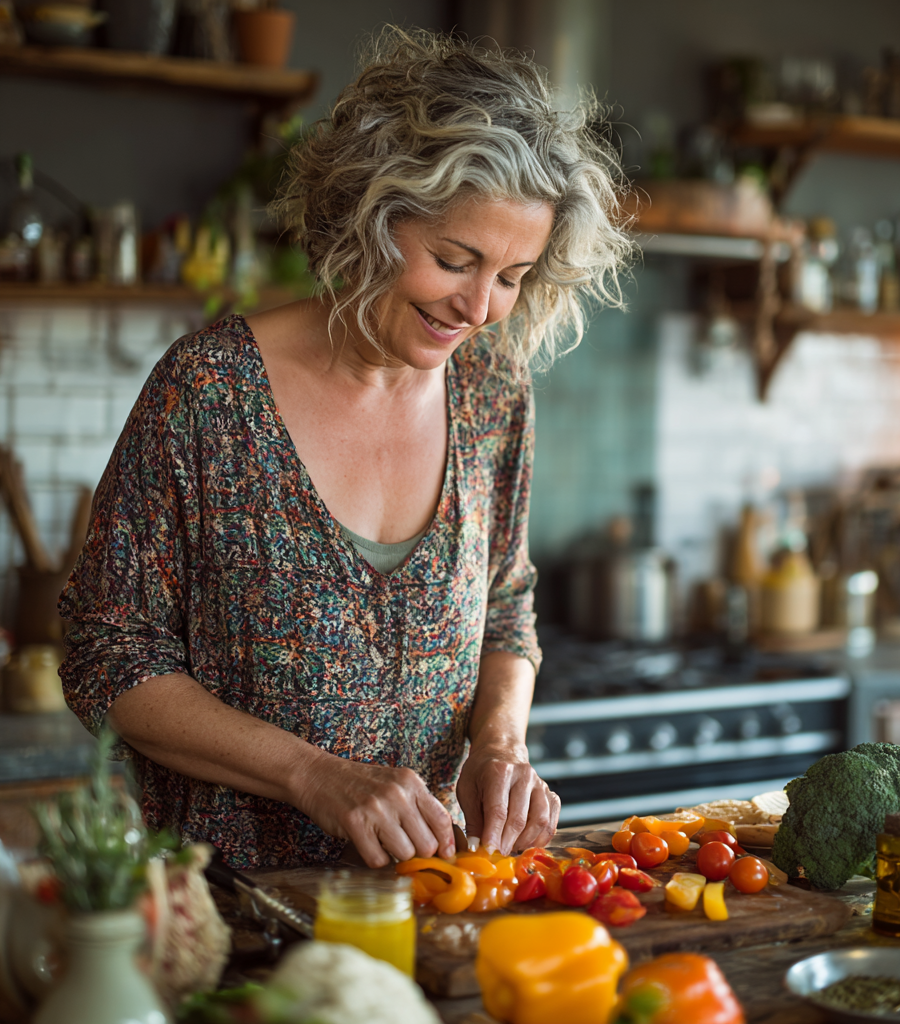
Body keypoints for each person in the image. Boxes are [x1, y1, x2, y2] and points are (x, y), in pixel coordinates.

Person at [59, 27, 633, 869]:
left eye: (511, 277)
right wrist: (314, 776)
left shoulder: (492, 393)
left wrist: (499, 746)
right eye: (453, 259)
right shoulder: (212, 391)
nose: (479, 307)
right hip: (233, 914)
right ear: (373, 216)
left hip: (424, 905)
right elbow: (105, 654)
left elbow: (506, 605)